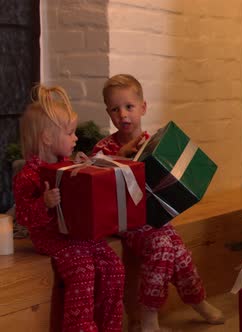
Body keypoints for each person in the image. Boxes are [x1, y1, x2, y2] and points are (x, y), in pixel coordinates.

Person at [93, 74, 225, 332]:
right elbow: (95, 186)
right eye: (115, 109)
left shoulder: (152, 142)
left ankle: (197, 300)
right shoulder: (104, 148)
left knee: (178, 251)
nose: (123, 114)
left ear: (143, 107)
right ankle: (149, 315)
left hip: (152, 217)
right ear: (108, 113)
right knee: (165, 244)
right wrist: (118, 158)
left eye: (129, 107)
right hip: (123, 220)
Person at [13, 85, 125, 331]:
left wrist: (87, 169)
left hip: (77, 234)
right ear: (47, 137)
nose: (76, 138)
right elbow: (22, 215)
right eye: (70, 133)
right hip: (51, 238)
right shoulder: (29, 175)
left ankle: (109, 326)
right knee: (83, 268)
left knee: (113, 266)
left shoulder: (66, 165)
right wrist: (43, 202)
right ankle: (80, 327)